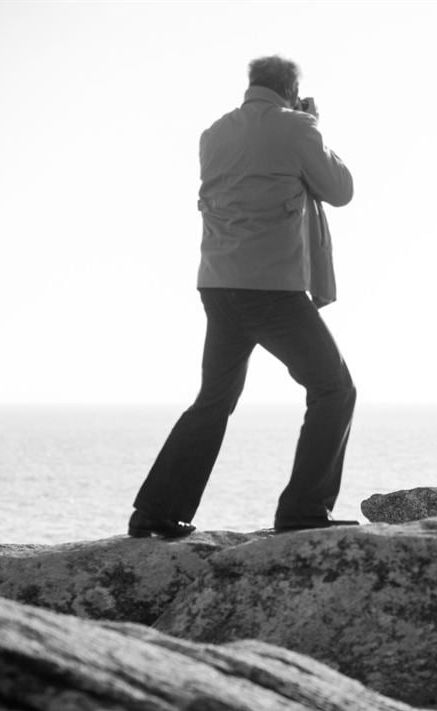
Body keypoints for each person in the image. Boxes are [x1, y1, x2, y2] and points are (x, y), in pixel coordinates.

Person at [128, 55, 356, 538]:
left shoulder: (213, 133)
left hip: (217, 285)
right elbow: (339, 190)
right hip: (271, 288)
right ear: (292, 90)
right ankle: (302, 510)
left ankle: (155, 510)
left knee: (214, 399)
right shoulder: (297, 128)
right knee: (335, 389)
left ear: (252, 85)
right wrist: (313, 122)